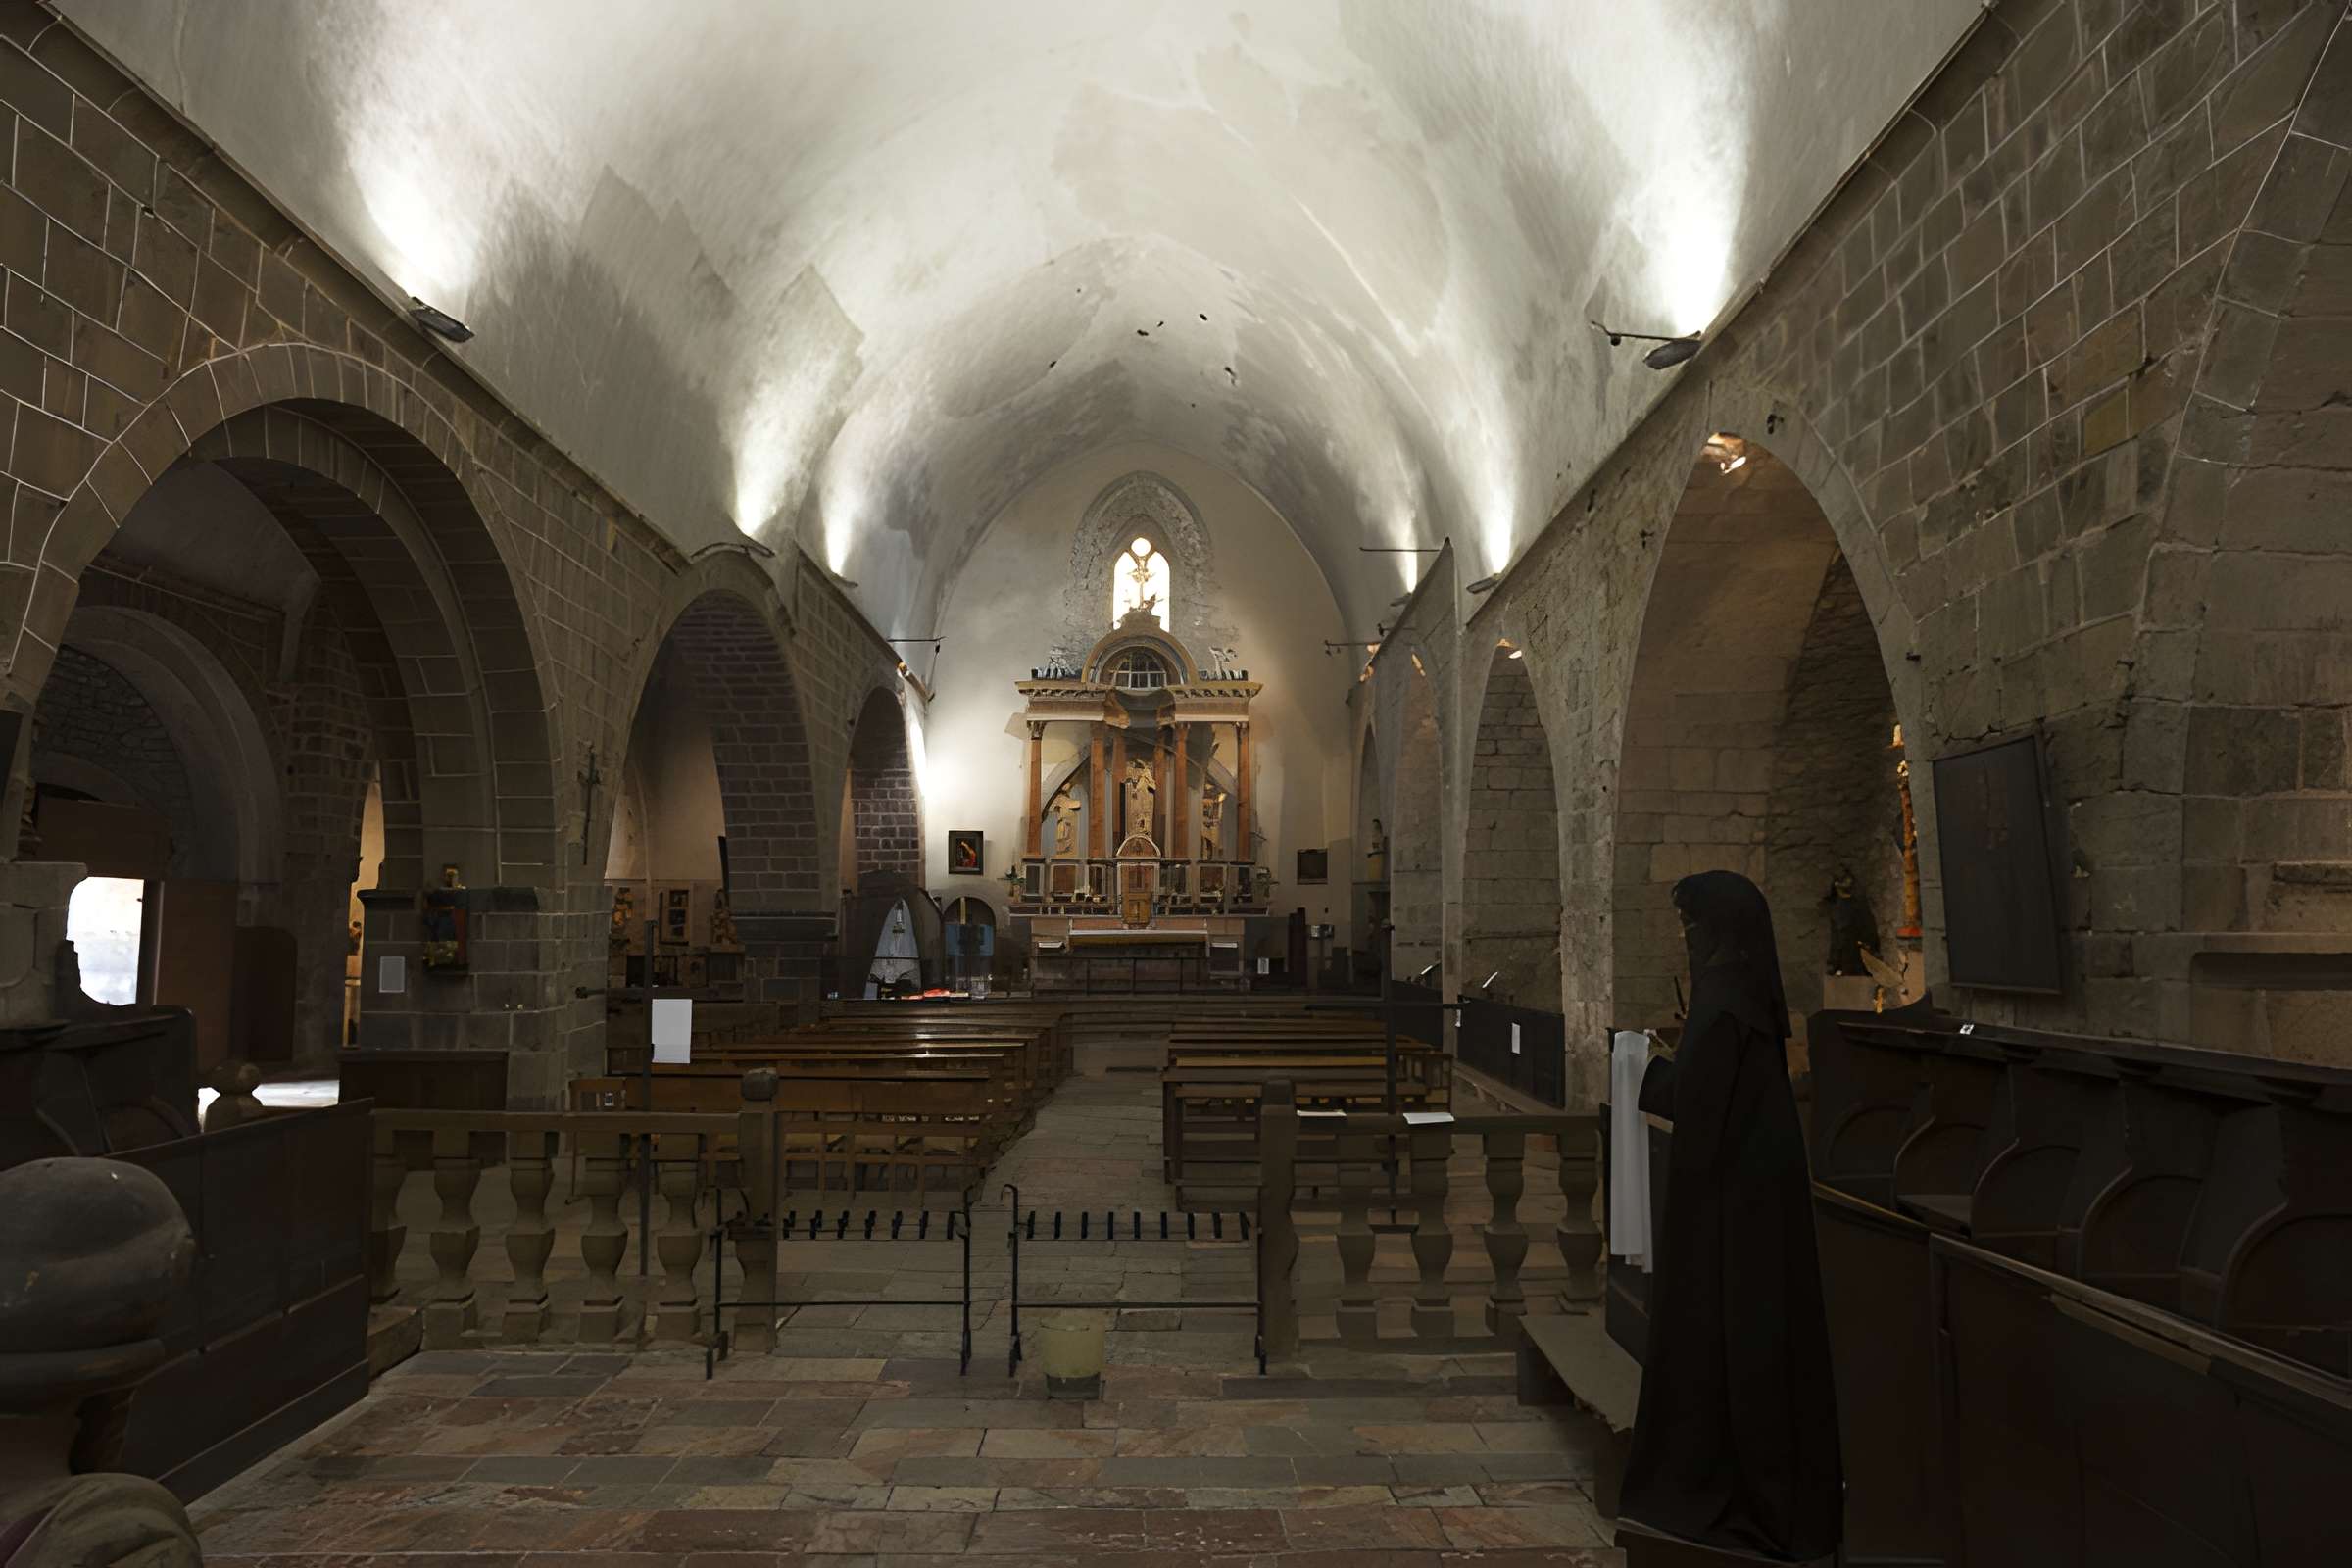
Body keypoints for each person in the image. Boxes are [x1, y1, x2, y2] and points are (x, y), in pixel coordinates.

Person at [1619, 869, 1842, 1561]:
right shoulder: (1752, 995)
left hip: (1730, 1210)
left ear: (1716, 928)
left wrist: (1639, 1071)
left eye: (1692, 925)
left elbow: (1699, 1100)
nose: (1688, 938)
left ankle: (1729, 1487)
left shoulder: (1720, 1000)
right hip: (1760, 1198)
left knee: (1730, 1342)